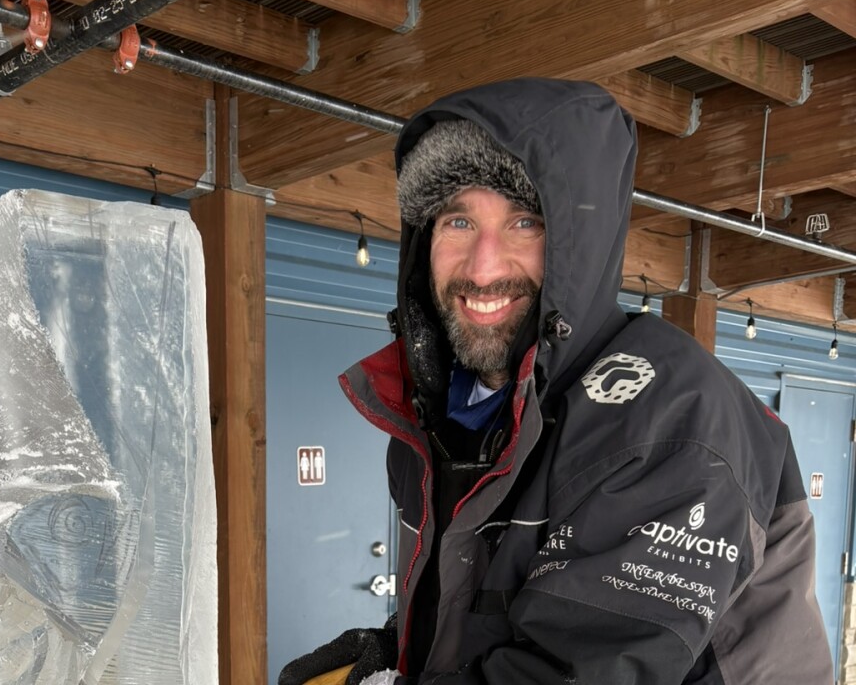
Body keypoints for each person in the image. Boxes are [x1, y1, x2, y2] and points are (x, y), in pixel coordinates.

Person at [278, 78, 832, 684]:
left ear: (580, 246)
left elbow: (576, 669)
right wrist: (398, 653)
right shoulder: (436, 418)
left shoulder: (673, 424)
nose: (483, 267)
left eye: (524, 223)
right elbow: (487, 607)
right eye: (458, 221)